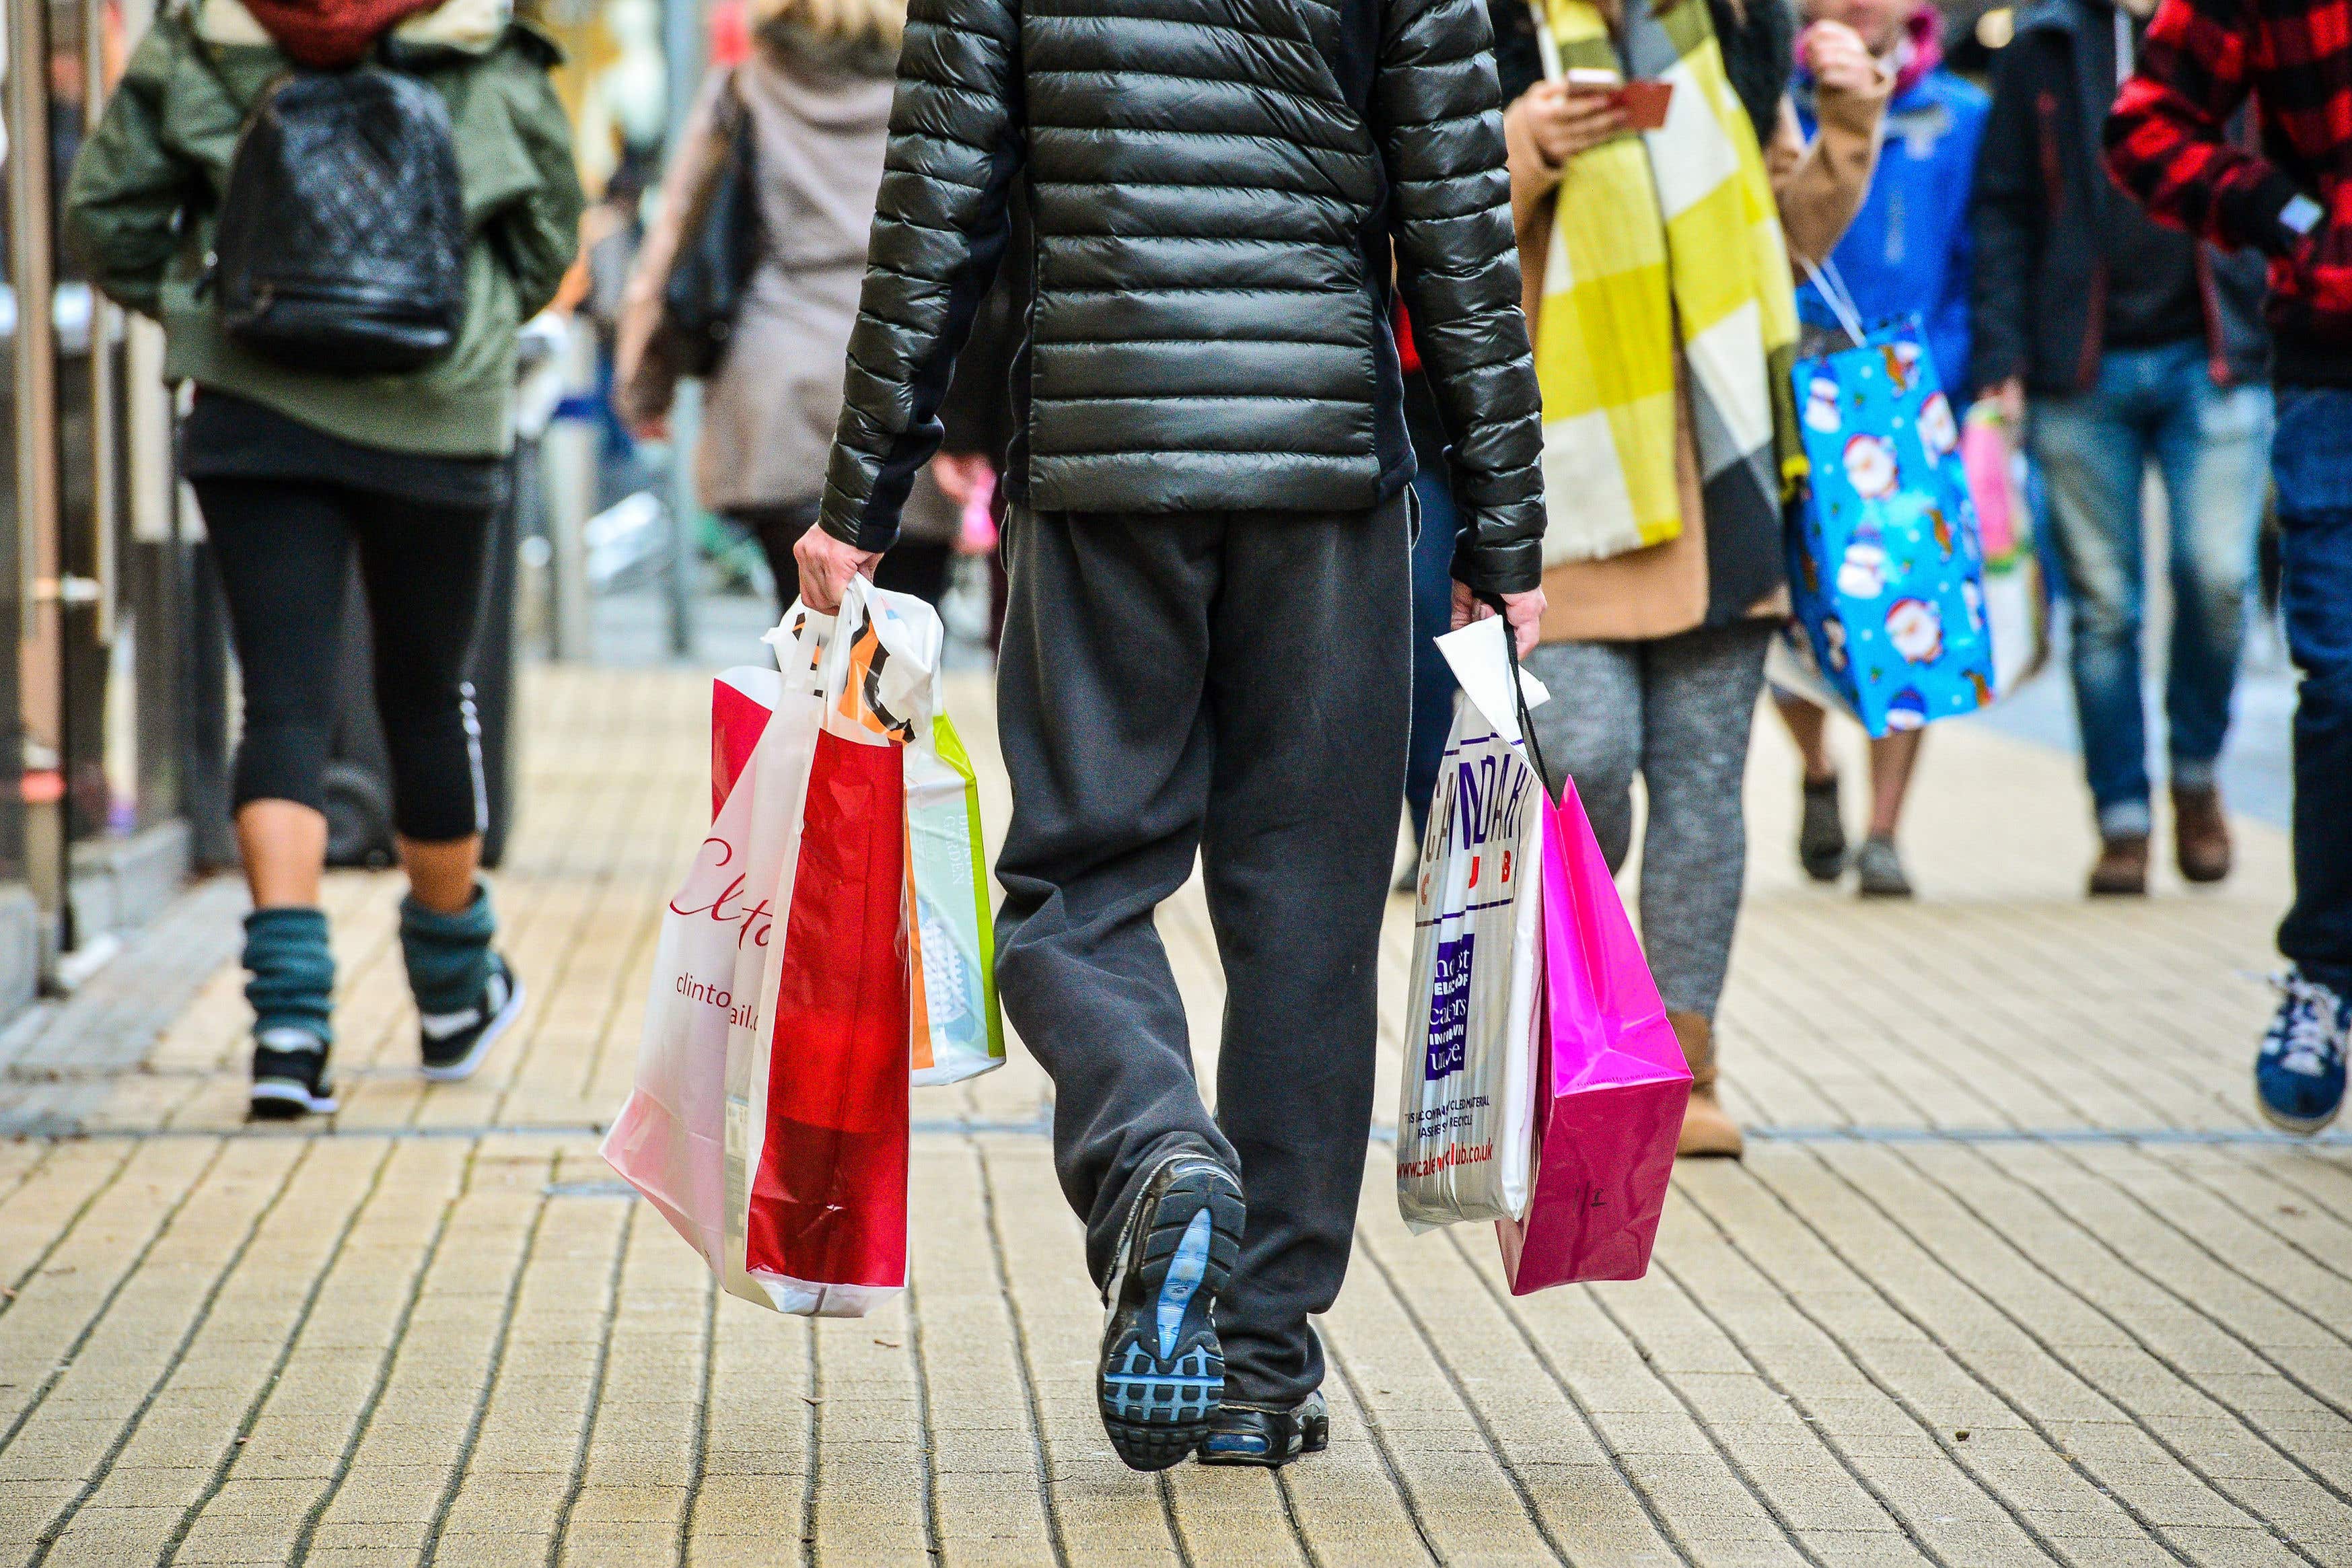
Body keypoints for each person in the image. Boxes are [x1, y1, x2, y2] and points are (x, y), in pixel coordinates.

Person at [797, 0, 1548, 1472]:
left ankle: (1156, 1153)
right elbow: (1458, 217)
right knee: (1308, 919)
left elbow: (935, 197)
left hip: (1101, 447)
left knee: (1077, 888)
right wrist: (1504, 522)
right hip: (1327, 465)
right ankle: (1262, 1367)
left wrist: (861, 500)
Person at [65, 0, 582, 1117]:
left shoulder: (207, 34)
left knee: (284, 709)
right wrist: (472, 331)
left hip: (255, 404)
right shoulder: (485, 39)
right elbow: (547, 236)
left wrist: (204, 313)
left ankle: (290, 1031)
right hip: (441, 411)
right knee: (429, 693)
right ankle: (452, 995)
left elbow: (106, 220)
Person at [1507, 0, 1886, 1159]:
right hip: (1568, 473)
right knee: (1585, 758)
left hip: (1724, 477)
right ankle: (1577, 1021)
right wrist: (1521, 142)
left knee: (1707, 782)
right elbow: (1412, 227)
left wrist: (1848, 123)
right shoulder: (1494, 26)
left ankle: (1685, 1068)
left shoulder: (1728, 30)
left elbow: (1788, 233)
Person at [2106, 0, 2352, 1131]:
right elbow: (2144, 128)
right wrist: (2292, 212)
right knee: (2343, 682)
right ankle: (2325, 977)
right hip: (2330, 364)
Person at [1971, 0, 2272, 897]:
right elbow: (2003, 209)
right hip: (2078, 362)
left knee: (2215, 578)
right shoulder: (2043, 42)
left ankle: (2192, 772)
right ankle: (2121, 818)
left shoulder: (2236, 31)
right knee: (2101, 610)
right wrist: (2001, 355)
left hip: (2216, 355)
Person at [612, 0, 958, 612]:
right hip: (914, 383)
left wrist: (644, 387)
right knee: (906, 644)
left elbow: (675, 242)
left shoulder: (747, 86)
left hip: (779, 388)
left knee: (805, 636)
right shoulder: (946, 86)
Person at [1774, 0, 1989, 898]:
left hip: (1909, 386)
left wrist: (1958, 372)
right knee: (1785, 604)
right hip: (1790, 381)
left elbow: (1985, 252)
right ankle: (1815, 767)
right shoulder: (1772, 104)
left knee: (1913, 602)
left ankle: (1883, 831)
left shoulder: (1961, 113)